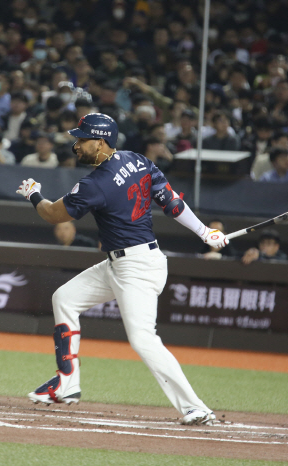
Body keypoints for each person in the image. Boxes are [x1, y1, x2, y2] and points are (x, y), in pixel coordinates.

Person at [16, 113, 227, 426]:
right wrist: (204, 232)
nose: (76, 146)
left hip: (136, 267)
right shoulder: (137, 161)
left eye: (82, 140)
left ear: (101, 142)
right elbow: (170, 201)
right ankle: (68, 382)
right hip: (123, 262)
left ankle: (194, 406)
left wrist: (34, 193)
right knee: (65, 298)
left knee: (143, 339)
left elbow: (53, 215)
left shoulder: (95, 184)